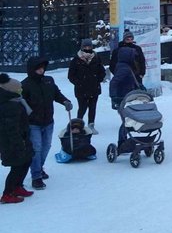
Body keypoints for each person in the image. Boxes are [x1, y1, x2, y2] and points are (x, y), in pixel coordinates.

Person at [21, 56, 71, 190]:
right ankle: (36, 176)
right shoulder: (25, 84)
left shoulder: (49, 81)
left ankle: (39, 167)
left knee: (46, 146)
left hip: (48, 121)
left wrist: (65, 101)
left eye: (43, 67)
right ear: (32, 69)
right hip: (33, 123)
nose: (41, 70)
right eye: (38, 67)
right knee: (36, 148)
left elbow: (57, 94)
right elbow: (21, 103)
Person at [0, 74, 34, 204]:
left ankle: (18, 186)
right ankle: (7, 193)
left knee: (26, 161)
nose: (21, 91)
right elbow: (11, 129)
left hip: (22, 139)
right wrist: (19, 143)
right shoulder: (9, 106)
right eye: (19, 89)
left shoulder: (16, 101)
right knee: (17, 166)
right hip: (13, 142)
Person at [67, 38, 105, 133]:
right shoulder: (76, 60)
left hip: (94, 87)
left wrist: (98, 79)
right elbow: (71, 75)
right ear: (82, 47)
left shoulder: (96, 58)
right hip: (81, 89)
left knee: (93, 107)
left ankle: (91, 124)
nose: (87, 48)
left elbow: (102, 71)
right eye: (85, 46)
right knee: (82, 107)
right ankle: (78, 124)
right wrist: (78, 83)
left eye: (89, 46)